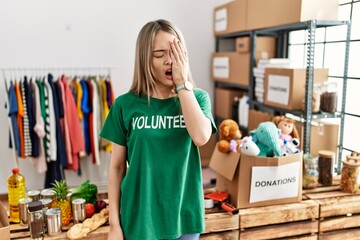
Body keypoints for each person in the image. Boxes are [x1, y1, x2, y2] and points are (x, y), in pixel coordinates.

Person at [99, 19, 217, 240]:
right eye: (159, 54)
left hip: (184, 217)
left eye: (174, 51)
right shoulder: (125, 105)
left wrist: (182, 85)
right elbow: (116, 169)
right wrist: (114, 224)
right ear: (145, 59)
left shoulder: (198, 99)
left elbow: (201, 137)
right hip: (140, 219)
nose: (169, 60)